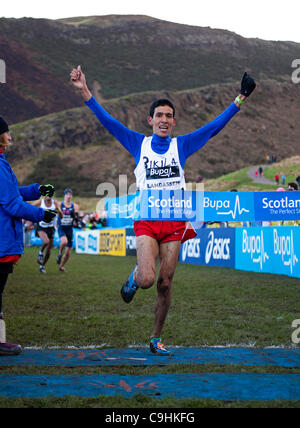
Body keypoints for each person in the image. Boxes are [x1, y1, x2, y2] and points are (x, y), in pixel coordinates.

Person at [70, 66, 256, 355]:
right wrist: (84, 91)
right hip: (146, 221)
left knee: (165, 283)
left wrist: (240, 99)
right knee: (146, 279)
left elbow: (214, 127)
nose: (164, 120)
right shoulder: (138, 143)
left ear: (174, 121)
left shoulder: (182, 145)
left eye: (169, 115)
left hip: (173, 224)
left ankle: (156, 337)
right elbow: (108, 121)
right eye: (159, 115)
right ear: (150, 120)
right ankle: (134, 277)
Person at [0, 116, 56, 355]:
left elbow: (12, 193)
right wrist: (41, 214)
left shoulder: (2, 163)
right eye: (7, 132)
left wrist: (36, 190)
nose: (10, 136)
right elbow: (11, 203)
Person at [33, 196, 62, 274]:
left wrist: (58, 210)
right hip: (41, 226)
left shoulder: (55, 203)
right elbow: (31, 207)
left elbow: (61, 216)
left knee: (49, 251)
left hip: (50, 228)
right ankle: (40, 253)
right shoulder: (40, 202)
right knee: (46, 242)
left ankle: (42, 266)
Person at [56, 189, 79, 272]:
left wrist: (76, 218)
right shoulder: (59, 204)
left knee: (68, 253)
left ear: (72, 196)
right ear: (64, 196)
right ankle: (59, 254)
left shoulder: (75, 206)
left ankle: (62, 266)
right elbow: (55, 212)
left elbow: (76, 219)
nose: (69, 196)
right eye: (67, 194)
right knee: (64, 242)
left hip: (69, 229)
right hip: (61, 227)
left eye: (70, 195)